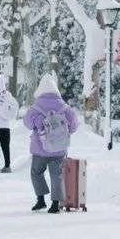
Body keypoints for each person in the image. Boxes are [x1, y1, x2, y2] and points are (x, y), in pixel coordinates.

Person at [23, 74, 78, 214]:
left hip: (39, 149)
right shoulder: (63, 106)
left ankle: (40, 199)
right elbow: (74, 126)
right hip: (59, 148)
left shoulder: (36, 106)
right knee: (57, 175)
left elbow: (27, 123)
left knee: (36, 173)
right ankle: (55, 204)